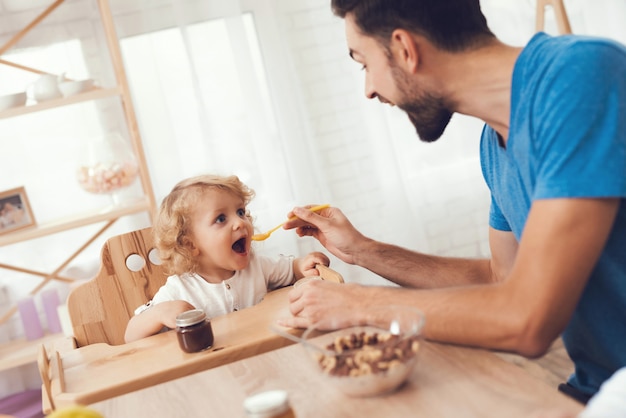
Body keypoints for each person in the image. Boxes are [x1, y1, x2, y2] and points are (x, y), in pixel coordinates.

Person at [278, 0, 626, 404]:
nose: (369, 89)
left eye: (364, 63)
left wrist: (358, 304)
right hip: (597, 390)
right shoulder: (492, 143)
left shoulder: (582, 78)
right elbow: (503, 281)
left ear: (405, 49)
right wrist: (363, 251)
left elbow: (527, 319)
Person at [125, 174, 329, 343]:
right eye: (221, 218)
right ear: (191, 245)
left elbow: (291, 269)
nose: (240, 223)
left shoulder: (257, 266)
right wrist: (160, 312)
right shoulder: (180, 289)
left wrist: (303, 265)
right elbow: (130, 335)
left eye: (241, 212)